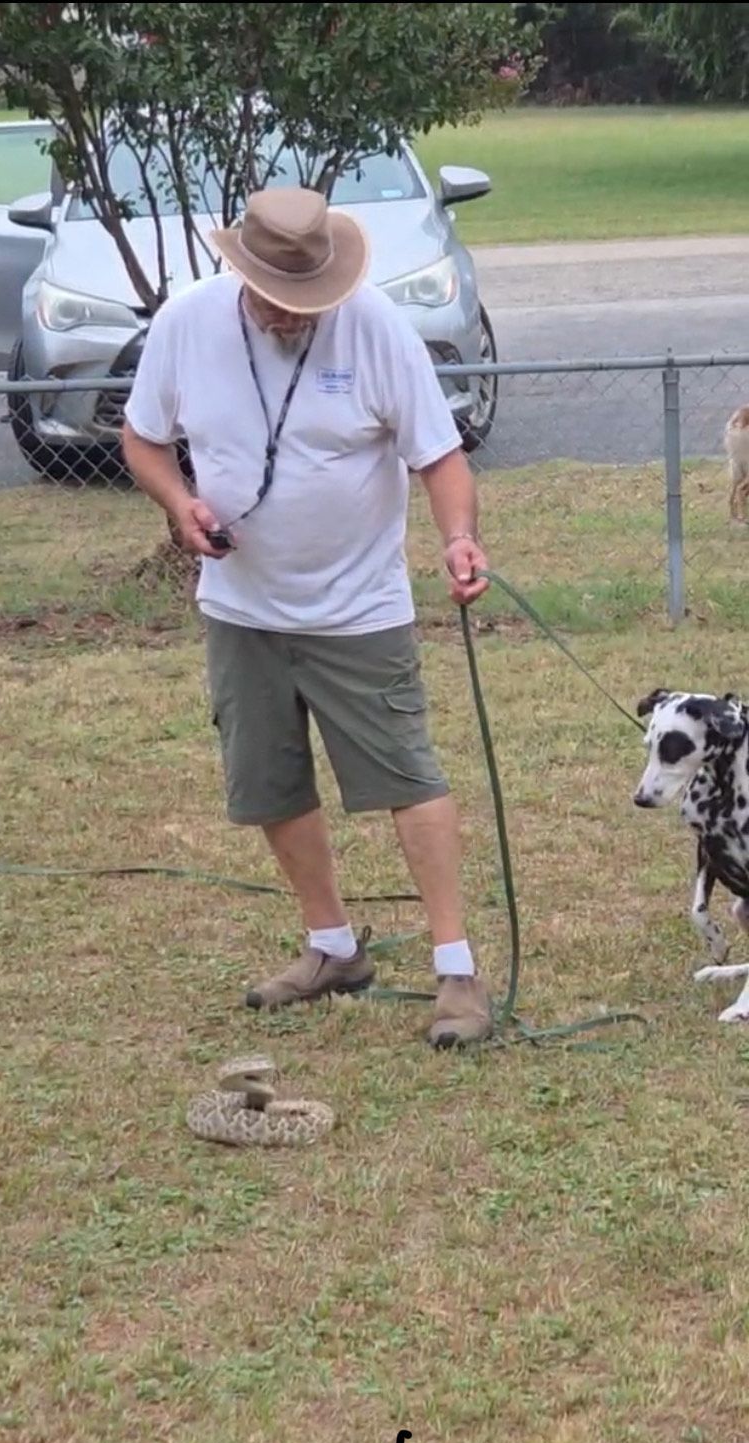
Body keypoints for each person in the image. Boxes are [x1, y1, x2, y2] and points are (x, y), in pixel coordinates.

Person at [122, 185, 492, 1049]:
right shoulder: (186, 325)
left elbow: (439, 457)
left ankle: (457, 971)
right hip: (242, 610)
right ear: (242, 276)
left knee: (409, 777)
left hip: (359, 609)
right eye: (277, 301)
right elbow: (142, 439)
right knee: (268, 782)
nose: (292, 316)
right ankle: (333, 948)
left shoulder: (376, 329)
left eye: (306, 302)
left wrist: (459, 540)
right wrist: (180, 504)